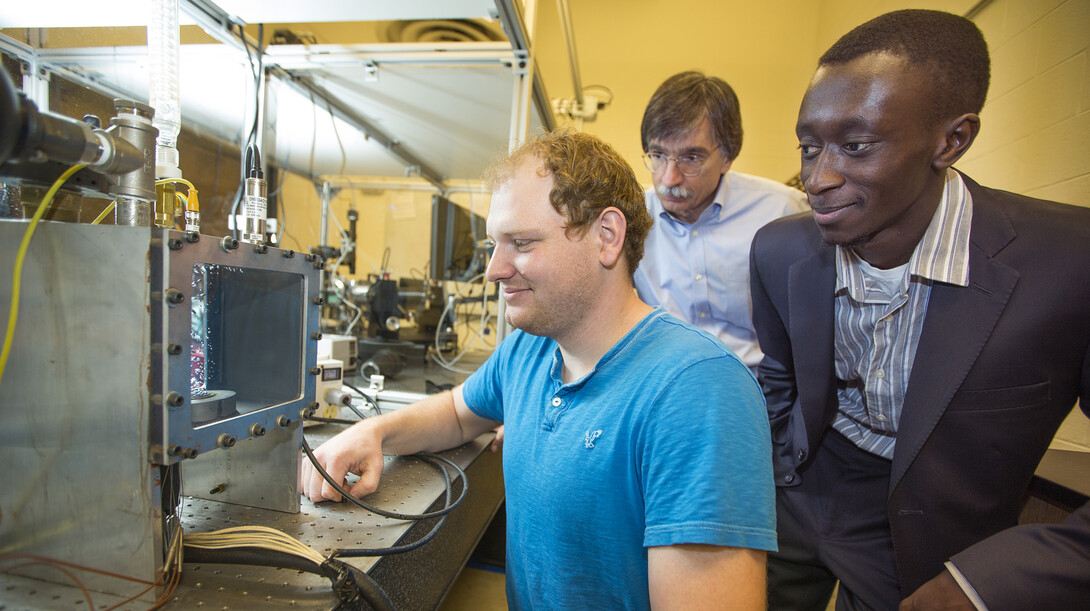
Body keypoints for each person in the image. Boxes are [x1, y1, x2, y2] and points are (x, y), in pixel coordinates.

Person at [301, 128, 777, 609]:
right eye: (494, 244)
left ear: (606, 237)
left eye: (522, 242)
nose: (494, 269)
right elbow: (459, 412)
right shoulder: (528, 350)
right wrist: (375, 434)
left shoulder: (698, 391)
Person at [749, 9, 1090, 610]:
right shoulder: (778, 250)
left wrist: (993, 580)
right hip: (798, 489)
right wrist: (779, 466)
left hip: (928, 532)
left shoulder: (1070, 262)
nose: (817, 177)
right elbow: (779, 374)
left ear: (951, 140)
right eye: (808, 146)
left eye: (856, 146)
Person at [634, 71, 807, 372]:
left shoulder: (782, 211)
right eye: (658, 155)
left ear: (727, 156)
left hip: (757, 387)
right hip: (665, 386)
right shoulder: (631, 218)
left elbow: (809, 323)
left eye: (691, 159)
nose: (669, 178)